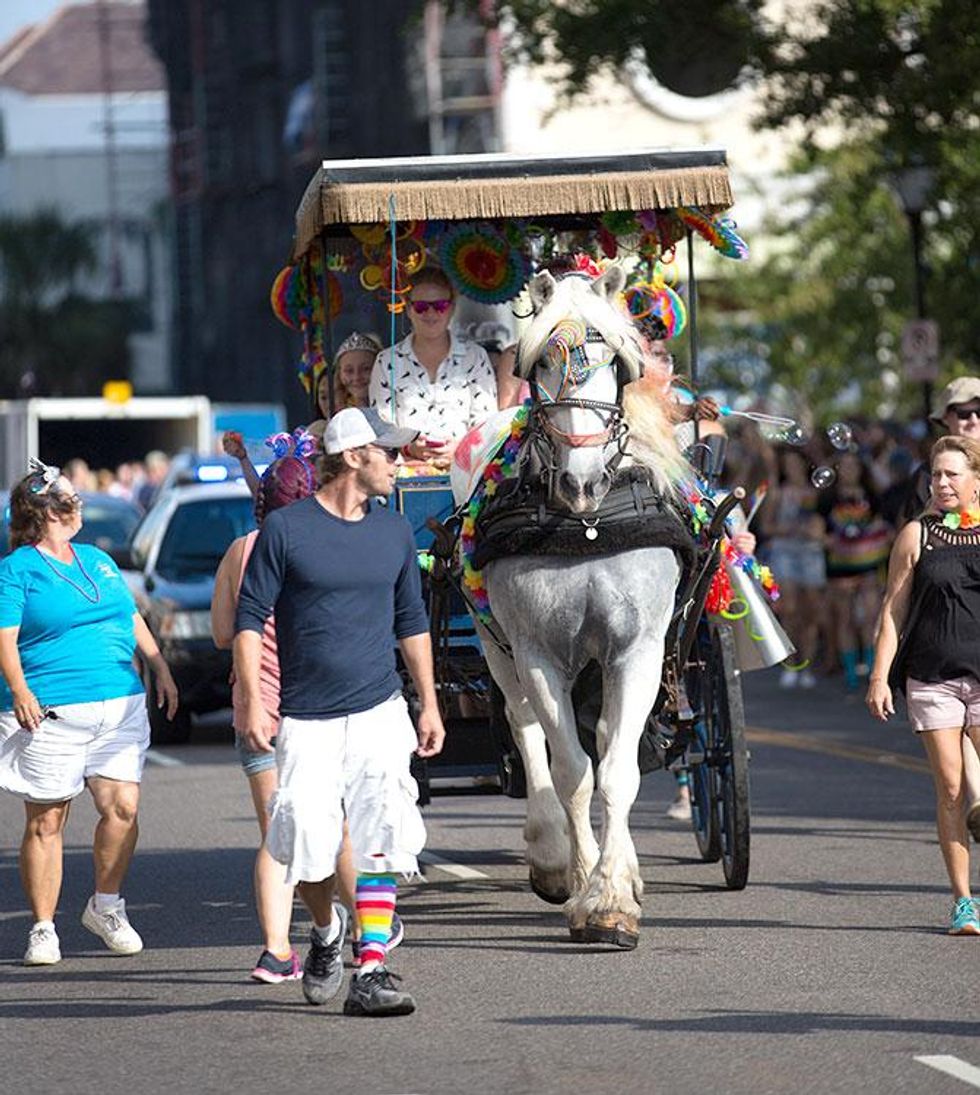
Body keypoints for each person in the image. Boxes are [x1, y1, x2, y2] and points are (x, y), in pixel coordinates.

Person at [234, 406, 445, 1016]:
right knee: (307, 842)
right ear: (353, 456)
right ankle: (326, 930)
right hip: (306, 717)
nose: (399, 463)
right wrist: (255, 702)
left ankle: (372, 965)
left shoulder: (395, 531)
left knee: (381, 834)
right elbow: (248, 620)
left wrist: (428, 703)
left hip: (380, 709)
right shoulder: (286, 530)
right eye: (390, 453)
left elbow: (412, 622)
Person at [211, 450, 382, 981]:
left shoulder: (240, 550)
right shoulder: (324, 543)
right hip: (319, 705)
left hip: (256, 710)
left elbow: (222, 634)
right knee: (340, 828)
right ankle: (364, 933)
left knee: (278, 834)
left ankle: (277, 950)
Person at [0, 459, 178, 965]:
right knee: (47, 820)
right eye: (71, 501)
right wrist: (19, 689)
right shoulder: (17, 569)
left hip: (120, 703)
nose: (79, 507)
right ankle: (42, 928)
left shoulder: (97, 560)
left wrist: (159, 665)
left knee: (123, 808)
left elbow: (130, 615)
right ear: (47, 512)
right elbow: (5, 638)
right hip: (50, 709)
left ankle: (106, 905)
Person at [866, 435, 980, 935]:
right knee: (951, 788)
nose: (942, 483)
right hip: (931, 676)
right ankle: (963, 901)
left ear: (976, 481)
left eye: (953, 474)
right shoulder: (917, 534)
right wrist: (879, 676)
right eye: (936, 474)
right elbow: (893, 610)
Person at [370, 266, 497, 469]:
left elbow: (487, 424)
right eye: (421, 306)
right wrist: (409, 448)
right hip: (405, 476)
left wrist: (459, 450)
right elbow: (381, 429)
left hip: (465, 474)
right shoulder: (386, 361)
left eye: (440, 306)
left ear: (452, 308)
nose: (430, 313)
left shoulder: (475, 357)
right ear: (408, 308)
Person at [819, 451, 891, 690]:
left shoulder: (872, 496)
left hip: (869, 564)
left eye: (853, 466)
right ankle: (851, 672)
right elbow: (819, 531)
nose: (849, 470)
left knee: (870, 617)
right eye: (844, 466)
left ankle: (871, 667)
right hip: (840, 567)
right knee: (845, 619)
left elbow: (882, 525)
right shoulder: (828, 498)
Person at [765, 449, 826, 689]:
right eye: (787, 464)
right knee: (789, 609)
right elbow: (766, 526)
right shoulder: (778, 493)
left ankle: (807, 666)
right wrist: (788, 530)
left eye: (795, 463)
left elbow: (823, 523)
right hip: (785, 552)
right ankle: (790, 664)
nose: (792, 468)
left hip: (810, 553)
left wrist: (815, 530)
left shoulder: (815, 492)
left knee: (810, 612)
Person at [898, 377, 980, 526]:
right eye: (964, 414)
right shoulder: (927, 474)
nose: (974, 420)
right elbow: (909, 532)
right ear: (945, 418)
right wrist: (925, 518)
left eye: (979, 412)